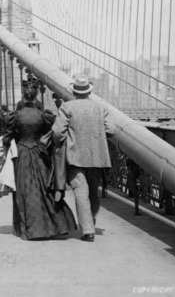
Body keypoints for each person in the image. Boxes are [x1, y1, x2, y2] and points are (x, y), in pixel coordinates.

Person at [6, 85, 76, 240]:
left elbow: (9, 134)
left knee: (23, 189)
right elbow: (52, 132)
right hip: (38, 152)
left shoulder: (16, 116)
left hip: (22, 152)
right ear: (36, 95)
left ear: (23, 96)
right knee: (44, 187)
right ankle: (56, 225)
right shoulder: (43, 115)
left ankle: (28, 229)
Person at [52, 76, 113, 242]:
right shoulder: (100, 108)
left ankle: (87, 230)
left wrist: (62, 144)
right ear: (89, 91)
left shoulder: (67, 107)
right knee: (93, 191)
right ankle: (91, 221)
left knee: (80, 191)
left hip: (75, 156)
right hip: (97, 158)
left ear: (74, 91)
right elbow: (111, 130)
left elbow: (57, 132)